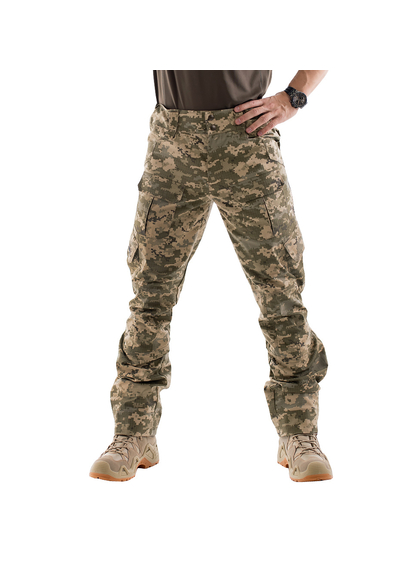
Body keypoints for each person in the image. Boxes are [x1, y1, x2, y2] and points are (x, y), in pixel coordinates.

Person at [89, 70, 333, 483]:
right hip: (172, 142)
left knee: (282, 298)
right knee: (150, 298)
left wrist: (293, 96)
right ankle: (133, 433)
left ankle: (299, 434)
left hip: (246, 140)